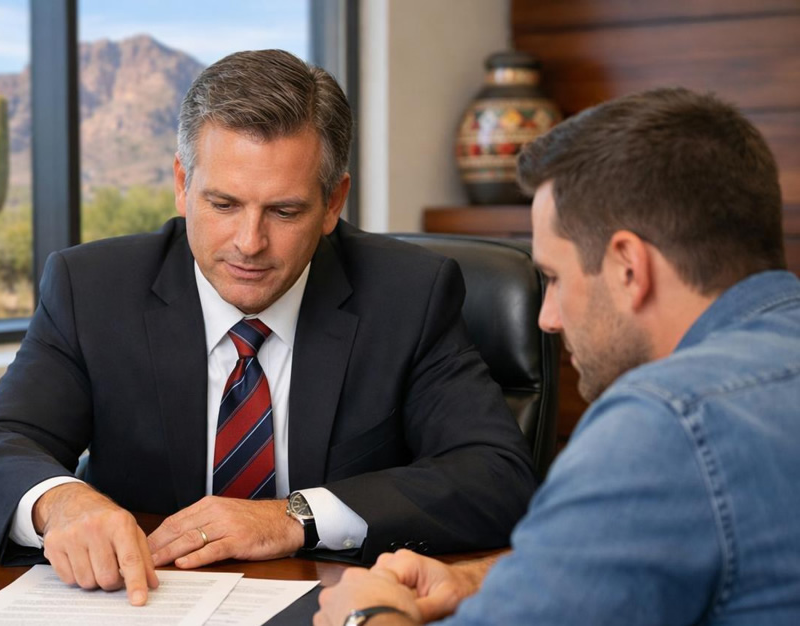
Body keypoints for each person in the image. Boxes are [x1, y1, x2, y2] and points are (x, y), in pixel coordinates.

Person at [0, 49, 536, 607]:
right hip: (144, 605)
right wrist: (61, 504)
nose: (249, 244)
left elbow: (496, 475)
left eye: (284, 211)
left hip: (331, 607)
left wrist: (294, 517)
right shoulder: (93, 288)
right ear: (182, 185)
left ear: (334, 202)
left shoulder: (409, 295)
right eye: (223, 204)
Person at [315, 86, 800, 625]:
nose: (547, 317)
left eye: (553, 278)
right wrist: (480, 580)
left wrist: (366, 615)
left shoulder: (664, 426)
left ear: (628, 268)